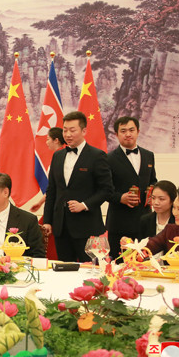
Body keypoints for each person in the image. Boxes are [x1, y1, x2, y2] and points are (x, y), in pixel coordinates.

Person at [43, 111, 113, 262]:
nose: (68, 134)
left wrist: (84, 205)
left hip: (86, 227)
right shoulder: (58, 156)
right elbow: (52, 190)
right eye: (65, 130)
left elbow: (106, 190)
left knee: (89, 269)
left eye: (72, 130)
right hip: (61, 227)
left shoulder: (97, 155)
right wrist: (47, 220)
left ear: (84, 131)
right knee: (63, 268)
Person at [106, 116, 157, 258]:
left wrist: (153, 193)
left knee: (145, 262)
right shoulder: (108, 158)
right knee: (119, 263)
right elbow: (104, 189)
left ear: (138, 132)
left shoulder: (149, 155)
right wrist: (120, 198)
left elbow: (153, 180)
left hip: (145, 220)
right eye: (123, 131)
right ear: (116, 134)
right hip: (119, 222)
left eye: (131, 130)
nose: (128, 134)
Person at [30, 127, 65, 213]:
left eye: (48, 139)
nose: (46, 142)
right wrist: (40, 202)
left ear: (56, 140)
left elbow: (56, 187)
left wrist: (40, 202)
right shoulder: (57, 156)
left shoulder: (62, 157)